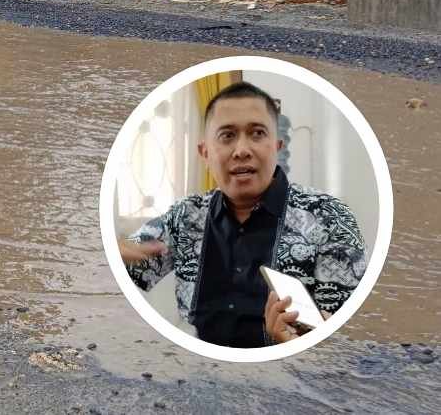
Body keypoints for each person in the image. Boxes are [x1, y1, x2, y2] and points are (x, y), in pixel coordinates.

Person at [117, 82, 366, 348]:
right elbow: (125, 267)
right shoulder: (186, 215)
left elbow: (345, 336)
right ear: (205, 153)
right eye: (227, 136)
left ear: (277, 146)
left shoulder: (329, 216)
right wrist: (115, 251)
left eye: (257, 133)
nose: (241, 150)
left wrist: (299, 344)